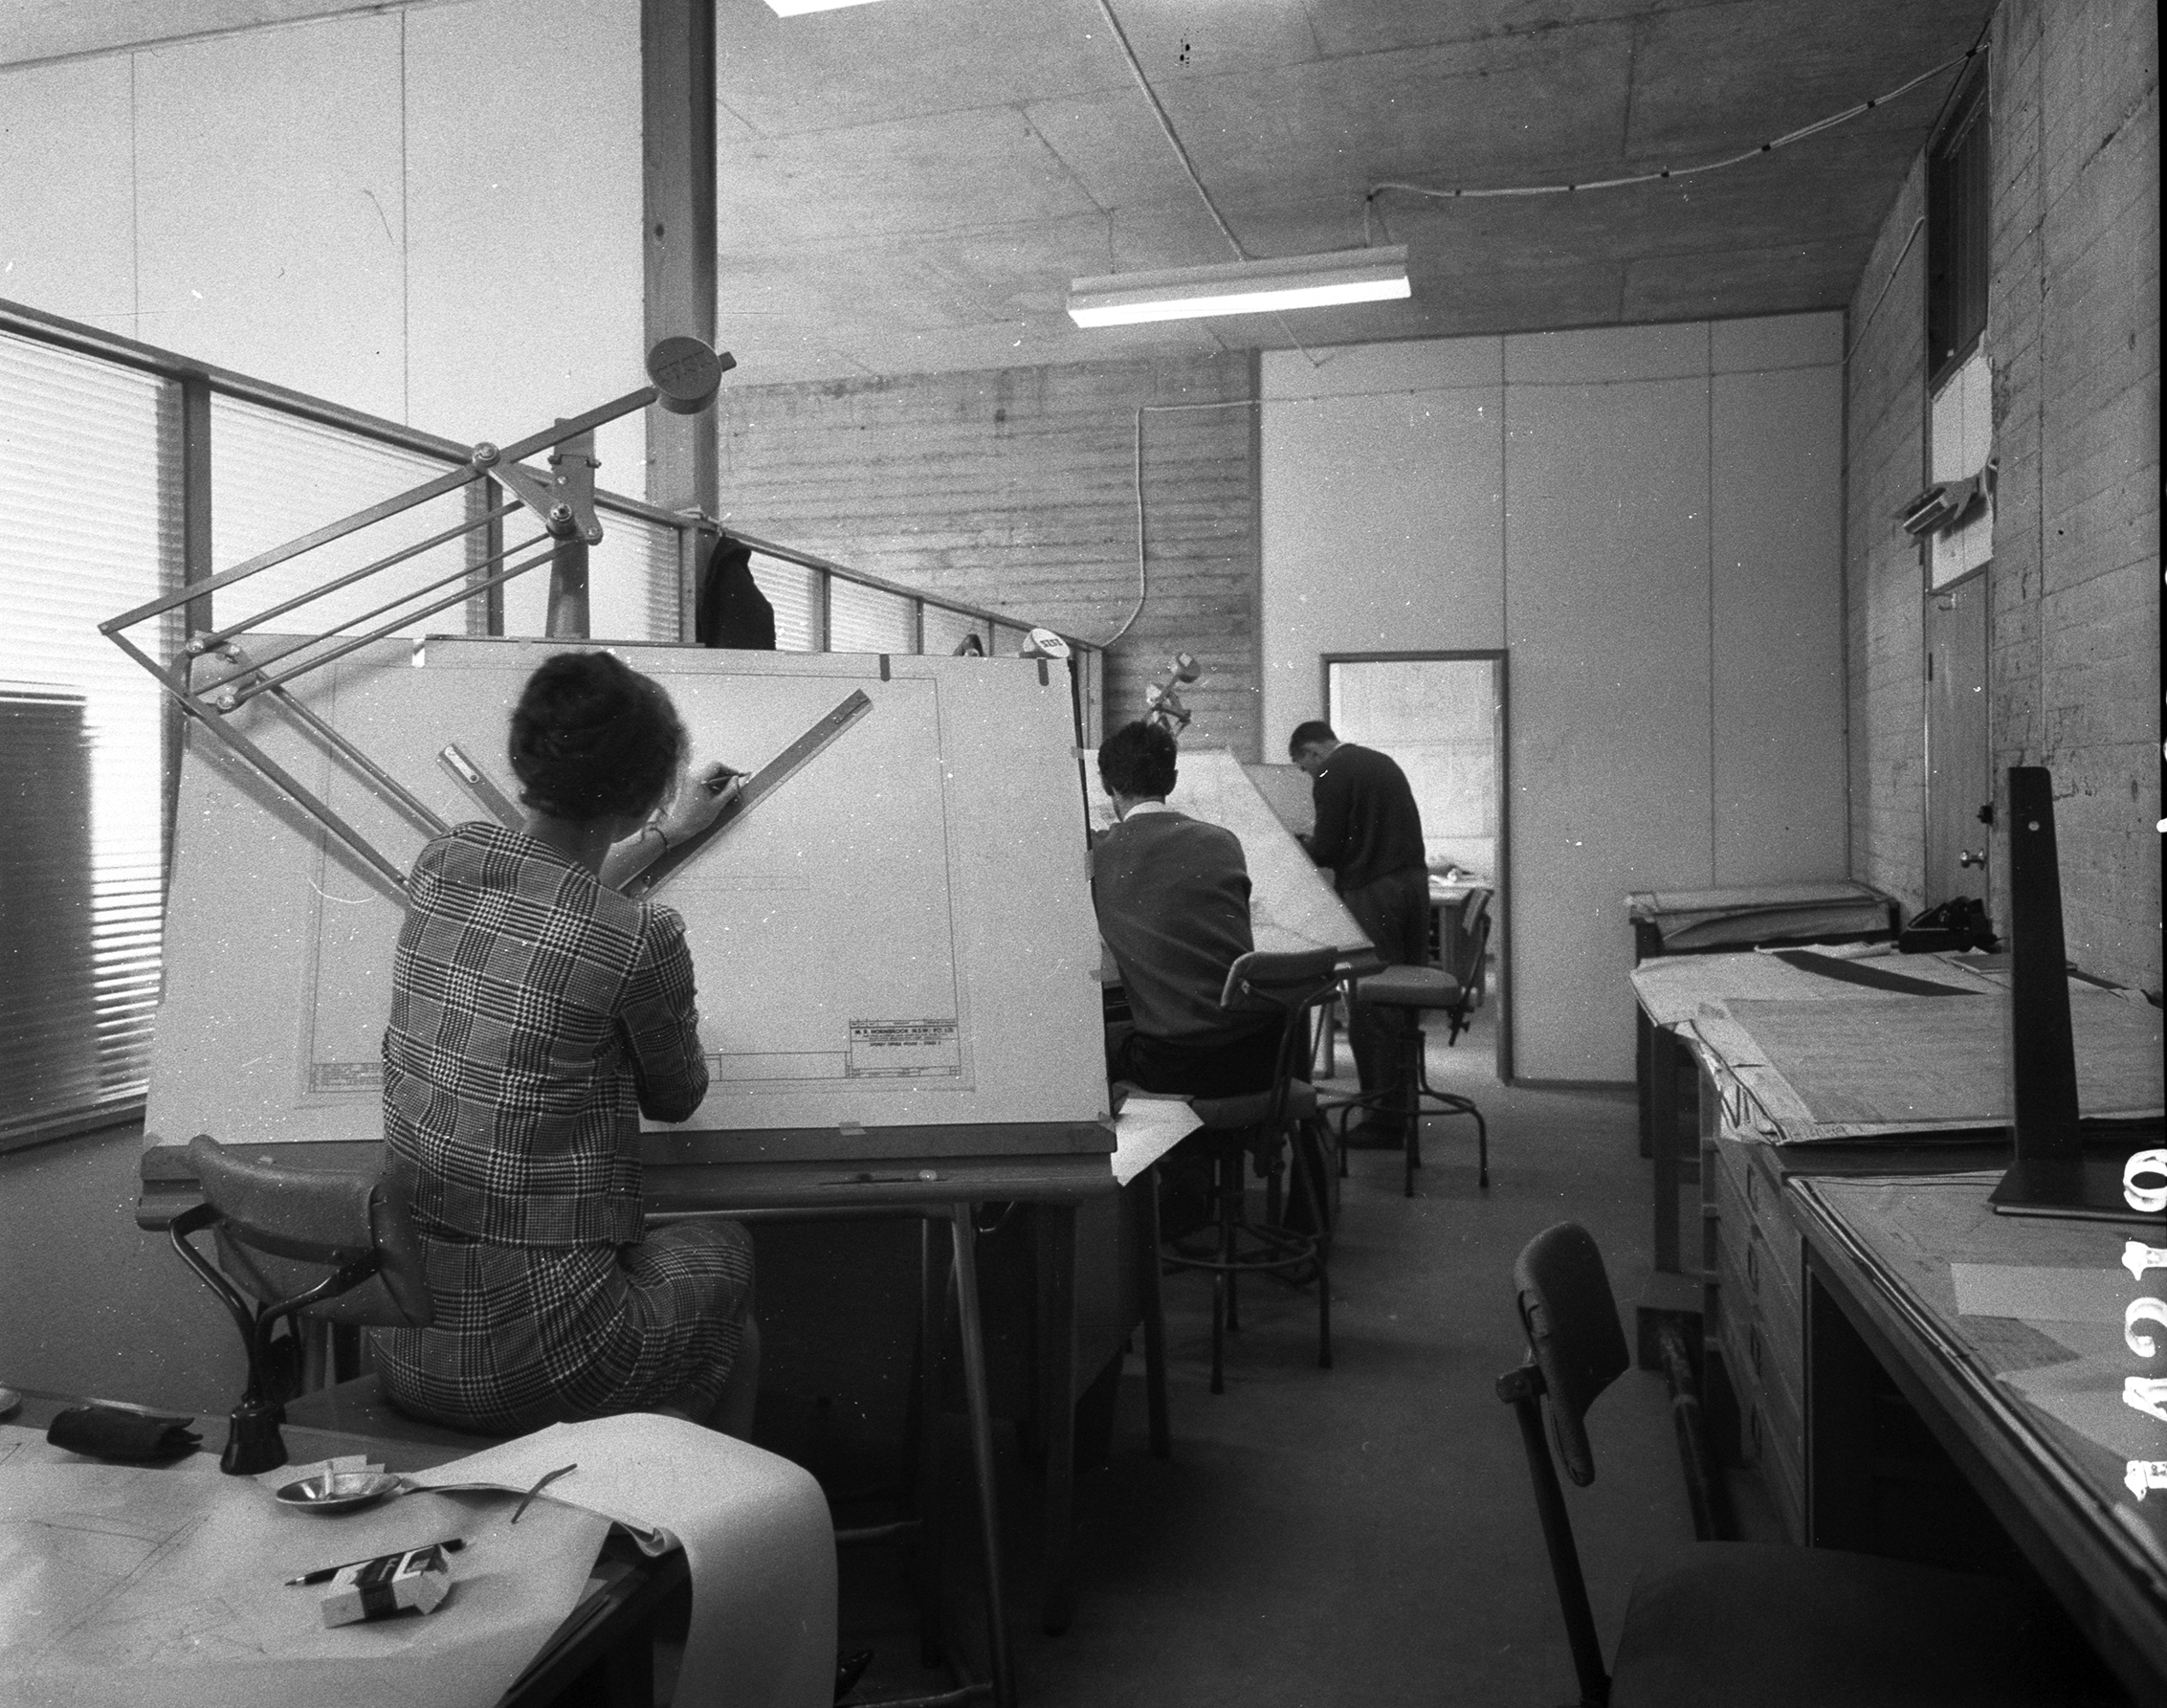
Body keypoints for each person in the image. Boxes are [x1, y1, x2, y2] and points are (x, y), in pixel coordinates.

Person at [374, 650, 760, 1438]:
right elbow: (676, 1098)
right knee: (727, 1253)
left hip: (406, 1339)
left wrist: (663, 835)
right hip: (546, 1358)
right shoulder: (640, 937)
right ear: (639, 792)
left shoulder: (444, 861)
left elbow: (546, 898)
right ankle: (662, 1532)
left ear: (527, 755)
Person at [1092, 720, 1278, 1098]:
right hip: (1257, 1057)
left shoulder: (1098, 857)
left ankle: (1163, 1155)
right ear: (1172, 780)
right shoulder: (1223, 842)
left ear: (1107, 786)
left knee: (1086, 1043)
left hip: (1175, 1065)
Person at [1288, 720, 1427, 1145]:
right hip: (1412, 888)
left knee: (1372, 1003)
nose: (1309, 775)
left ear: (1313, 753)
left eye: (1303, 767)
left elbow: (1328, 849)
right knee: (1402, 1000)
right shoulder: (1379, 761)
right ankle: (1401, 1109)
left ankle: (1383, 1122)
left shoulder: (1331, 773)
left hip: (1374, 892)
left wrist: (1298, 843)